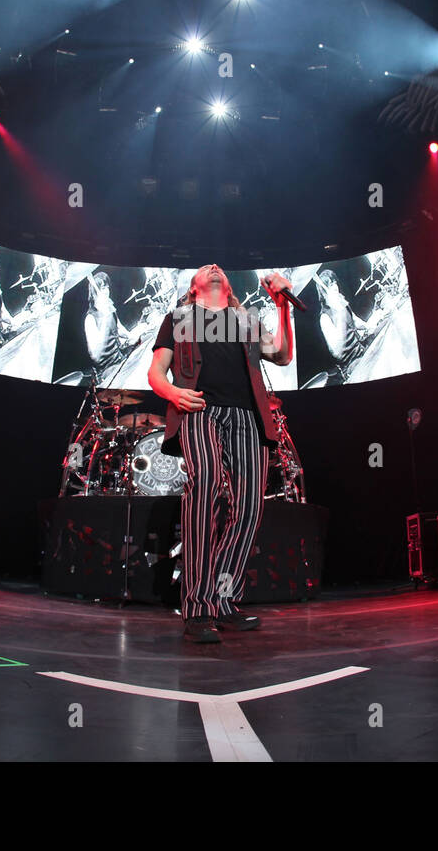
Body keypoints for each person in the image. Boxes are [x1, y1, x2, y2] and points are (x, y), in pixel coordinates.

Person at [148, 264, 293, 643]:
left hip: (248, 415)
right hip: (198, 410)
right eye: (205, 268)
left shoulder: (245, 320)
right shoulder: (180, 318)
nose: (214, 267)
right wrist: (173, 393)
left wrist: (282, 307)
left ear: (228, 288)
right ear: (194, 288)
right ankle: (197, 608)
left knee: (249, 507)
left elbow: (281, 355)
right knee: (206, 484)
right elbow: (156, 372)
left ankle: (223, 600)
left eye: (220, 269)